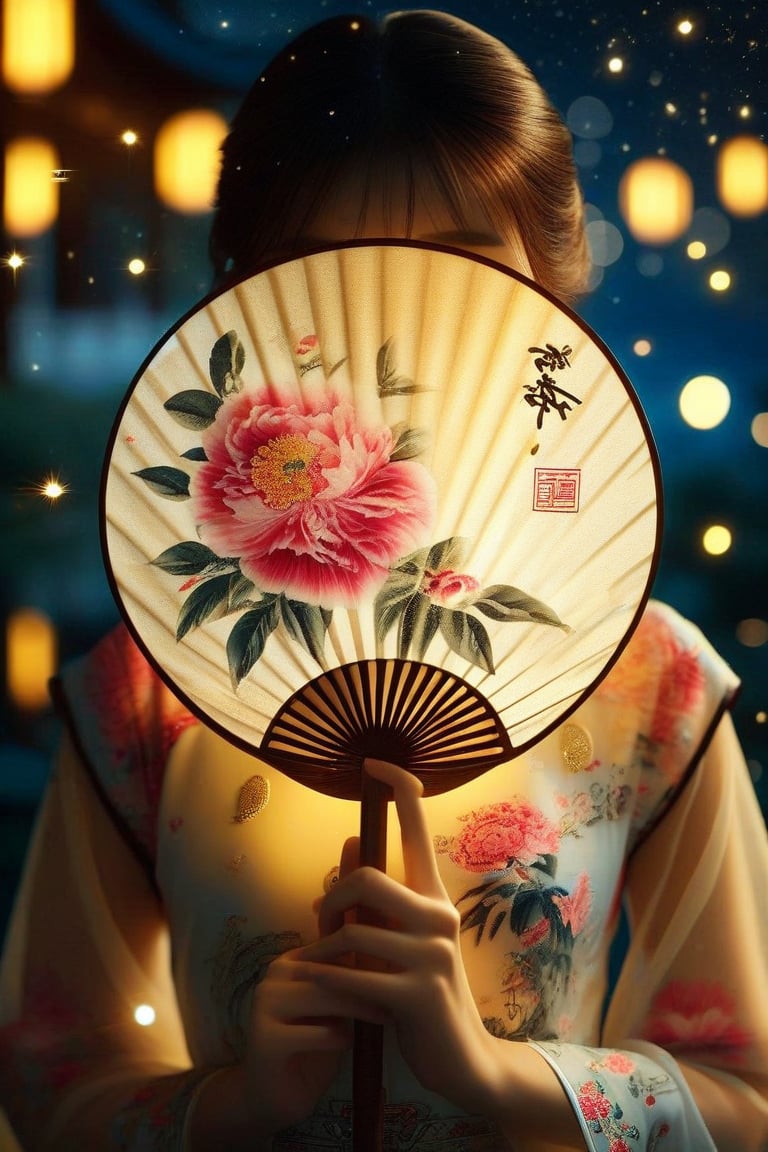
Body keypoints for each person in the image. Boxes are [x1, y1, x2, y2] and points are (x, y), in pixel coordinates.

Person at [1, 10, 767, 1151]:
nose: (398, 331)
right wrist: (242, 1100)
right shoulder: (148, 688)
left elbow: (745, 1096)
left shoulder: (647, 681)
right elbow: (55, 1077)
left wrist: (504, 1080)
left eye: (460, 269)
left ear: (551, 293)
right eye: (327, 276)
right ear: (243, 308)